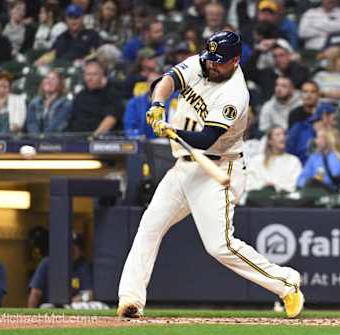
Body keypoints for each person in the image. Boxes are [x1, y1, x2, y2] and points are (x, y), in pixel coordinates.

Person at [117, 31, 304, 320]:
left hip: (218, 167)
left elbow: (206, 138)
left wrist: (172, 130)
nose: (212, 66)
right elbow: (166, 81)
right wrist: (157, 105)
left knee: (220, 246)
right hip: (184, 166)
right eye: (210, 59)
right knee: (150, 226)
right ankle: (131, 299)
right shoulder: (202, 64)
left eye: (219, 62)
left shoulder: (235, 94)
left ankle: (286, 283)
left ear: (235, 61)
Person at [28, 232, 93, 308]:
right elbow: (35, 293)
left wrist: (66, 304)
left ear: (81, 250)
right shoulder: (47, 263)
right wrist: (30, 317)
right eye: (69, 246)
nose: (72, 249)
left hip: (72, 310)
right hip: (47, 310)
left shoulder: (83, 266)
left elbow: (89, 294)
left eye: (76, 246)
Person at [243, 38, 309, 103]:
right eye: (275, 56)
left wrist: (293, 62)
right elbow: (248, 73)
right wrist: (258, 51)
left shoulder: (298, 72)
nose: (278, 59)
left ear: (289, 55)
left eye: (282, 55)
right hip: (267, 110)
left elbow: (300, 77)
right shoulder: (267, 73)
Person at [69, 60, 123, 136]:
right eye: (87, 74)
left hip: (100, 141)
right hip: (76, 139)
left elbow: (111, 119)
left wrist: (93, 137)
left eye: (94, 74)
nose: (90, 78)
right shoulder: (79, 96)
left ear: (102, 76)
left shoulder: (112, 95)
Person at [35, 4, 99, 66]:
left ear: (82, 18)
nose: (73, 21)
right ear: (66, 19)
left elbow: (96, 54)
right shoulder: (61, 37)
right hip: (60, 70)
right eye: (70, 17)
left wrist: (83, 61)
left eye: (76, 17)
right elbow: (51, 54)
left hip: (81, 70)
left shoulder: (92, 35)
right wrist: (41, 61)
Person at [246, 126, 302, 193]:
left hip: (284, 199)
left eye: (284, 134)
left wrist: (277, 187)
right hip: (260, 198)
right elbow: (249, 182)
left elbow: (295, 184)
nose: (282, 137)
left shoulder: (294, 161)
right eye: (278, 135)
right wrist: (264, 186)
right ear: (270, 141)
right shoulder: (257, 160)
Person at [297, 128, 340, 192]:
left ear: (328, 140)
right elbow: (301, 179)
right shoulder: (314, 158)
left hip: (335, 194)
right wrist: (310, 184)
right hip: (314, 192)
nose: (316, 141)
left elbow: (337, 176)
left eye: (319, 138)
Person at [26, 70, 72, 134]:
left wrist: (43, 138)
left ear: (60, 84)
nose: (49, 81)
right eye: (47, 78)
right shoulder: (34, 103)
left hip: (56, 141)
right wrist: (37, 138)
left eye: (53, 79)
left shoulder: (66, 104)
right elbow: (31, 124)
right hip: (36, 141)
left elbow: (56, 126)